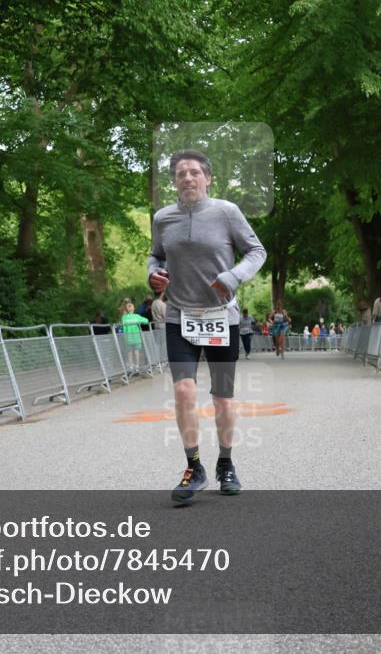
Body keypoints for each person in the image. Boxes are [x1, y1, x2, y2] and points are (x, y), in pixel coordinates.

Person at [147, 149, 266, 503]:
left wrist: (233, 276)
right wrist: (153, 273)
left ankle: (225, 464)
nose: (187, 178)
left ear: (208, 178)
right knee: (184, 390)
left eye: (194, 172)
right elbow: (156, 255)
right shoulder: (163, 218)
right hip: (179, 316)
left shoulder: (226, 212)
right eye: (180, 173)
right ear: (173, 181)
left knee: (222, 397)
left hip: (220, 317)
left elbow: (256, 251)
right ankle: (194, 466)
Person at [119, 299, 149, 374]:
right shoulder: (136, 317)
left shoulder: (124, 318)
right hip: (136, 338)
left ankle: (131, 367)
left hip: (128, 338)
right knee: (136, 352)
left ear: (126, 309)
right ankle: (137, 367)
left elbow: (122, 327)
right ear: (133, 309)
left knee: (129, 353)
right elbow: (146, 320)